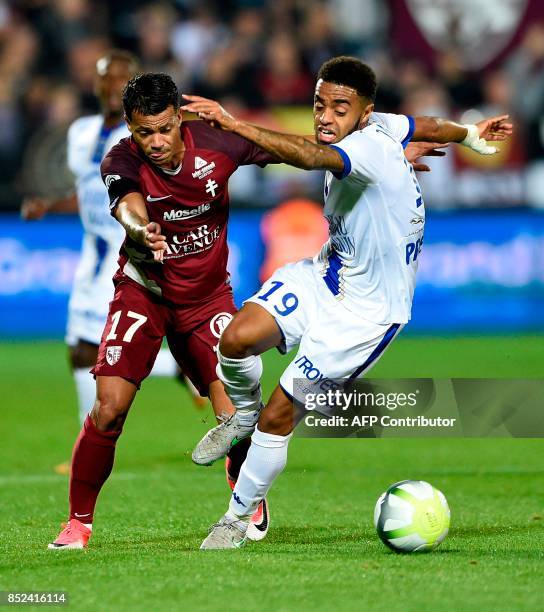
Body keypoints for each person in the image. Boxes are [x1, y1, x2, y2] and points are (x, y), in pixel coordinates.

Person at [181, 55, 513, 549]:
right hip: (326, 275)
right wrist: (466, 133)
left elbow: (309, 157)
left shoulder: (367, 151)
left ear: (363, 113)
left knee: (281, 416)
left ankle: (237, 517)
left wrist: (232, 123)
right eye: (319, 105)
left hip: (365, 316)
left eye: (340, 108)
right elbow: (423, 124)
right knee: (234, 339)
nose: (325, 117)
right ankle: (239, 418)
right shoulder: (383, 127)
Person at [47, 72, 277, 550]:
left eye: (164, 128)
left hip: (207, 300)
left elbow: (291, 151)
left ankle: (247, 502)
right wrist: (139, 230)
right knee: (108, 409)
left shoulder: (217, 141)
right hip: (143, 293)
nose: (154, 142)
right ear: (131, 128)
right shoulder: (119, 158)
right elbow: (127, 204)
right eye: (143, 131)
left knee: (234, 414)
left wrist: (369, 160)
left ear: (181, 119)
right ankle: (77, 524)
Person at [21, 50, 205, 477]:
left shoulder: (138, 135)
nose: (109, 85)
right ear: (96, 84)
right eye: (104, 78)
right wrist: (50, 206)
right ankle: (175, 370)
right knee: (80, 351)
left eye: (119, 78)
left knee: (102, 351)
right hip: (91, 252)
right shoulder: (81, 132)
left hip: (126, 251)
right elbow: (90, 189)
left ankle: (91, 444)